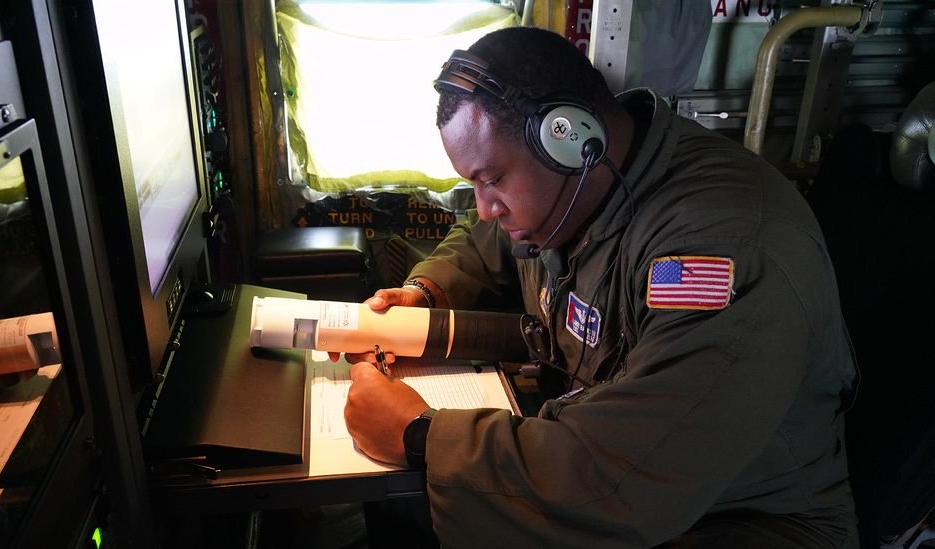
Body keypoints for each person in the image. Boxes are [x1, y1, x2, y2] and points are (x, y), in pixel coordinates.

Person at [343, 26, 858, 548]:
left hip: (737, 520)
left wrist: (419, 435)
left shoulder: (723, 250)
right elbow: (481, 240)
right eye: (474, 183)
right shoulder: (569, 194)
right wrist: (426, 291)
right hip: (619, 474)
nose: (485, 206)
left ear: (567, 139)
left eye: (493, 179)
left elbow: (625, 479)